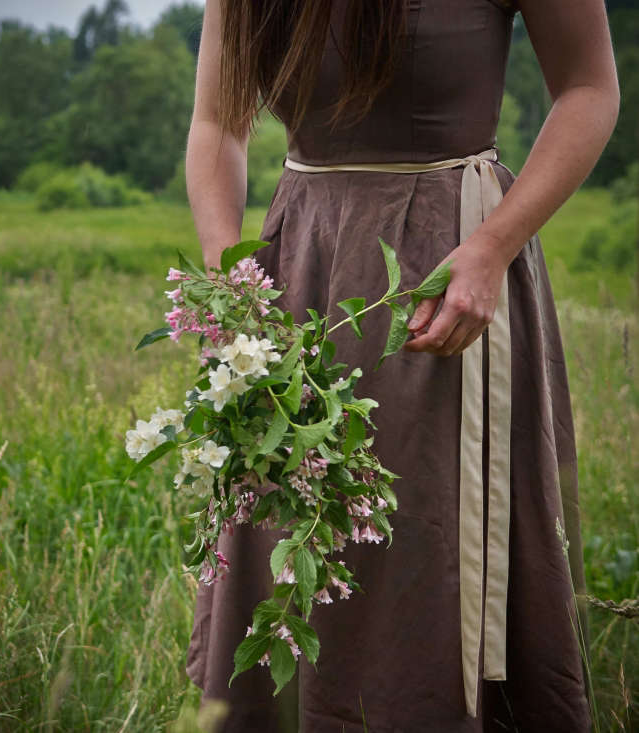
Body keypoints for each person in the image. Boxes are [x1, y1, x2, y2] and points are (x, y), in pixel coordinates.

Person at [183, 1, 620, 731]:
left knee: (424, 543)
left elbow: (588, 87)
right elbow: (215, 123)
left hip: (449, 270)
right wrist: (230, 288)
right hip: (300, 269)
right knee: (290, 540)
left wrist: (490, 249)